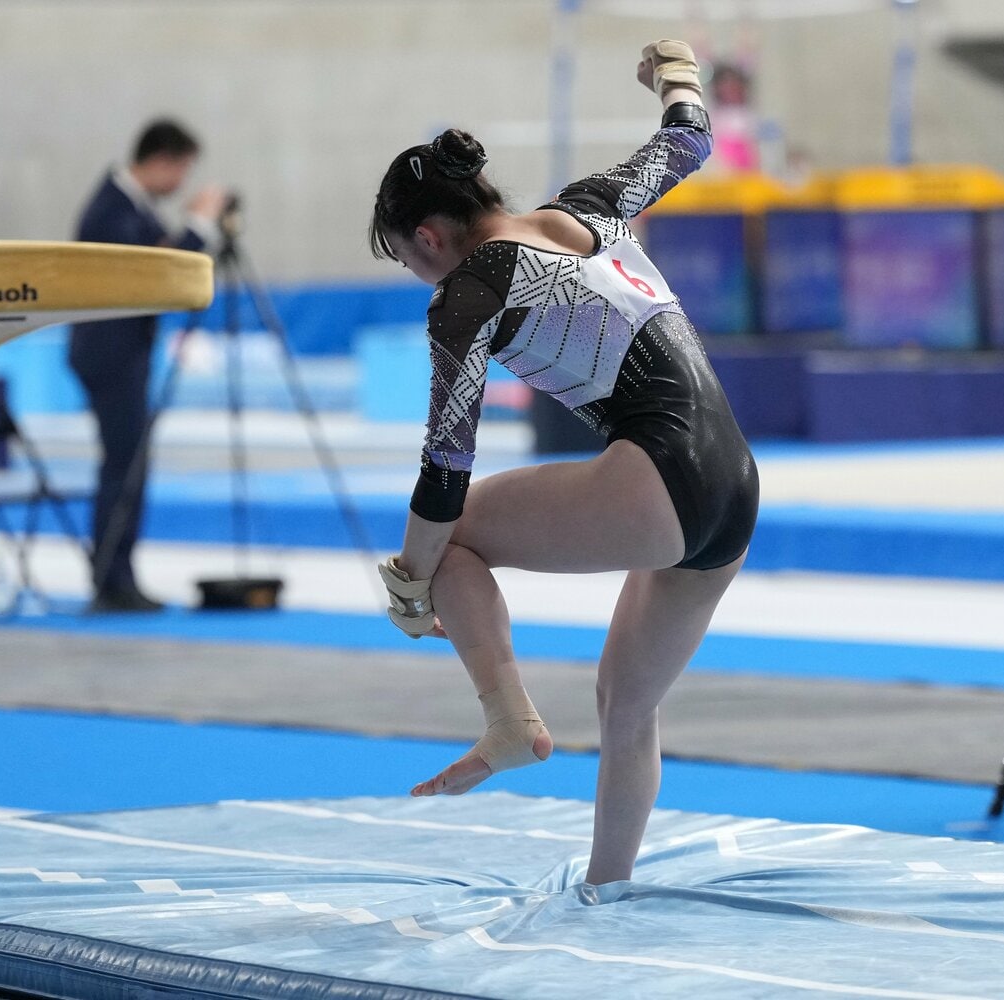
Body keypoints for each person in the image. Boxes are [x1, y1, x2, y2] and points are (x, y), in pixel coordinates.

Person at [369, 40, 759, 887]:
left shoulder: (467, 292)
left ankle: (507, 719)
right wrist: (677, 73)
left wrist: (411, 580)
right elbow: (690, 140)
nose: (416, 275)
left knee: (451, 541)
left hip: (660, 472)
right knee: (627, 703)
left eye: (407, 258)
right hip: (734, 483)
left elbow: (447, 466)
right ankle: (607, 887)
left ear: (430, 236)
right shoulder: (591, 206)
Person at [67, 119, 226, 612]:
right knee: (124, 467)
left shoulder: (132, 207)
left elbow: (164, 257)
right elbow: (159, 274)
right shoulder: (112, 209)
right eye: (181, 171)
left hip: (120, 353)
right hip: (109, 356)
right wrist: (199, 224)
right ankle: (111, 580)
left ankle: (117, 574)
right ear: (162, 162)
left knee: (128, 466)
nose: (180, 185)